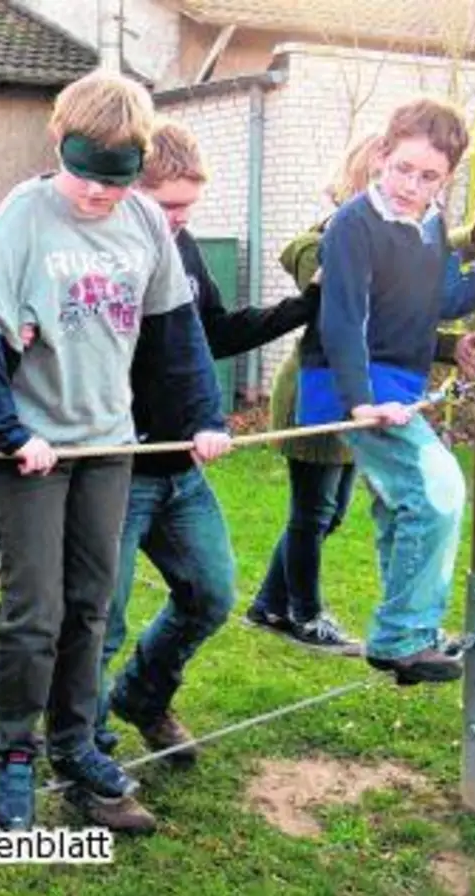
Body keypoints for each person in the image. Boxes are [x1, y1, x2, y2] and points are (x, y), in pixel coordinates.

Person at [0, 70, 232, 835]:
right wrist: (8, 435)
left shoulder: (144, 222)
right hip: (32, 451)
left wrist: (204, 414)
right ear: (59, 143)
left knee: (90, 605)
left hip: (109, 446)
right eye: (83, 177)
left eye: (113, 183)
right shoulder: (23, 213)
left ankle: (75, 744)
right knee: (35, 610)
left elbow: (178, 336)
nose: (95, 196)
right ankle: (14, 753)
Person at [94, 117, 314, 760]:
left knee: (210, 594)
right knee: (99, 623)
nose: (181, 220)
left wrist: (304, 307)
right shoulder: (96, 253)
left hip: (179, 468)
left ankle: (141, 697)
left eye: (190, 206)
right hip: (113, 470)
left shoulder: (181, 247)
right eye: (169, 206)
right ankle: (84, 748)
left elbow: (212, 333)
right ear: (130, 188)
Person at [245, 135, 475, 655]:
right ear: (369, 175)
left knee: (340, 511)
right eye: (398, 174)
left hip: (376, 385)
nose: (407, 190)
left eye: (428, 179)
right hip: (332, 385)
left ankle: (273, 601)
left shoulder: (417, 224)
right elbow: (353, 316)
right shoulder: (336, 236)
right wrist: (356, 399)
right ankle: (306, 613)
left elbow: (416, 302)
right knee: (315, 511)